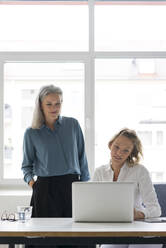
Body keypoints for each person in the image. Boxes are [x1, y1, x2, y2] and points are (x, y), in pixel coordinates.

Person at [22, 84, 90, 219]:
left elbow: (82, 157)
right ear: (41, 105)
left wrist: (83, 186)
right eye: (49, 104)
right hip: (45, 189)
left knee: (74, 236)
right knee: (44, 236)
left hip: (71, 186)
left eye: (57, 103)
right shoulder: (31, 132)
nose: (54, 108)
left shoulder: (73, 125)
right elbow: (26, 166)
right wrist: (33, 184)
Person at [93, 128, 162, 248]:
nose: (119, 153)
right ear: (110, 145)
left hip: (141, 230)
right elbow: (92, 206)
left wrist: (139, 214)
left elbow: (156, 209)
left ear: (131, 153)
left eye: (126, 151)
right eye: (116, 147)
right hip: (114, 231)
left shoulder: (140, 171)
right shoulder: (100, 172)